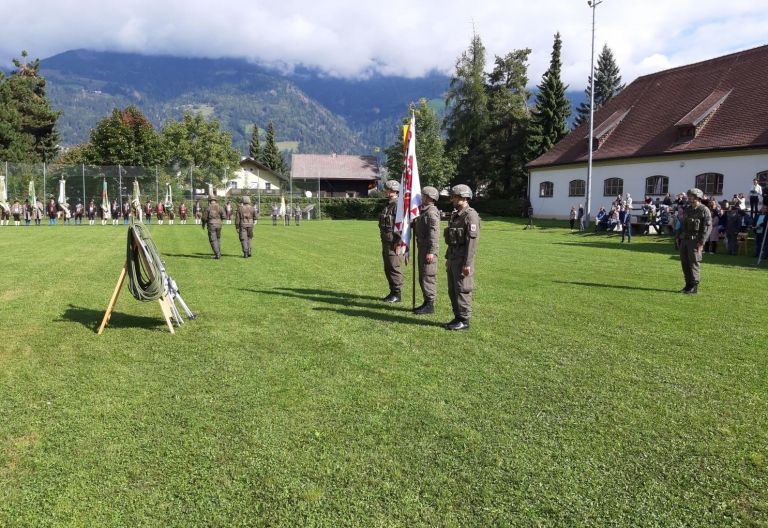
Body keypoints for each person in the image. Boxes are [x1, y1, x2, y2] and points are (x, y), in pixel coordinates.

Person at [443, 184, 480, 331]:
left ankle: (464, 320)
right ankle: (457, 316)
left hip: (462, 258)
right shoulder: (456, 214)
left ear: (464, 197)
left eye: (455, 197)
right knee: (453, 290)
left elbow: (472, 242)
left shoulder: (470, 216)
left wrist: (467, 263)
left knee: (462, 289)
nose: (452, 199)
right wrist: (448, 258)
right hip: (453, 257)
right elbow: (451, 240)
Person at [412, 186, 441, 315]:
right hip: (422, 247)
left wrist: (431, 251)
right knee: (423, 276)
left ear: (429, 197)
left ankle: (430, 304)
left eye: (423, 195)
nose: (421, 197)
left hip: (427, 249)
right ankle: (426, 301)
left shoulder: (431, 213)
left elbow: (434, 234)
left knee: (428, 276)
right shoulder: (424, 211)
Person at [678, 188, 712, 295]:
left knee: (694, 263)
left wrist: (701, 242)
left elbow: (707, 228)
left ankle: (694, 286)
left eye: (691, 196)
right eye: (689, 196)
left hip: (695, 241)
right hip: (685, 240)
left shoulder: (704, 210)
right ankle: (688, 284)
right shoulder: (688, 209)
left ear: (698, 197)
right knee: (685, 263)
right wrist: (678, 237)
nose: (689, 198)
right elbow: (683, 225)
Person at [379, 180, 403, 302]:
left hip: (394, 242)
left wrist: (398, 242)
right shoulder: (389, 205)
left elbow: (401, 225)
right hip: (386, 241)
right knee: (388, 267)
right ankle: (392, 291)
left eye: (387, 190)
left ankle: (397, 293)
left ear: (393, 191)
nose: (386, 192)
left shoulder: (398, 205)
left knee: (394, 267)